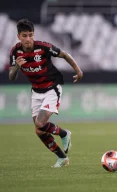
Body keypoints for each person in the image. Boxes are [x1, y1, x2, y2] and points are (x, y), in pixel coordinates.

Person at [8, 19, 83, 168]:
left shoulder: (43, 47)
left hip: (52, 88)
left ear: (33, 34)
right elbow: (11, 76)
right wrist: (17, 66)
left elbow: (65, 55)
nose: (28, 39)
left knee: (40, 123)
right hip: (36, 92)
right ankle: (62, 158)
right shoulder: (15, 52)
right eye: (24, 35)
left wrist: (78, 71)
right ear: (19, 37)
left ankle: (64, 133)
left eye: (30, 35)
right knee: (39, 131)